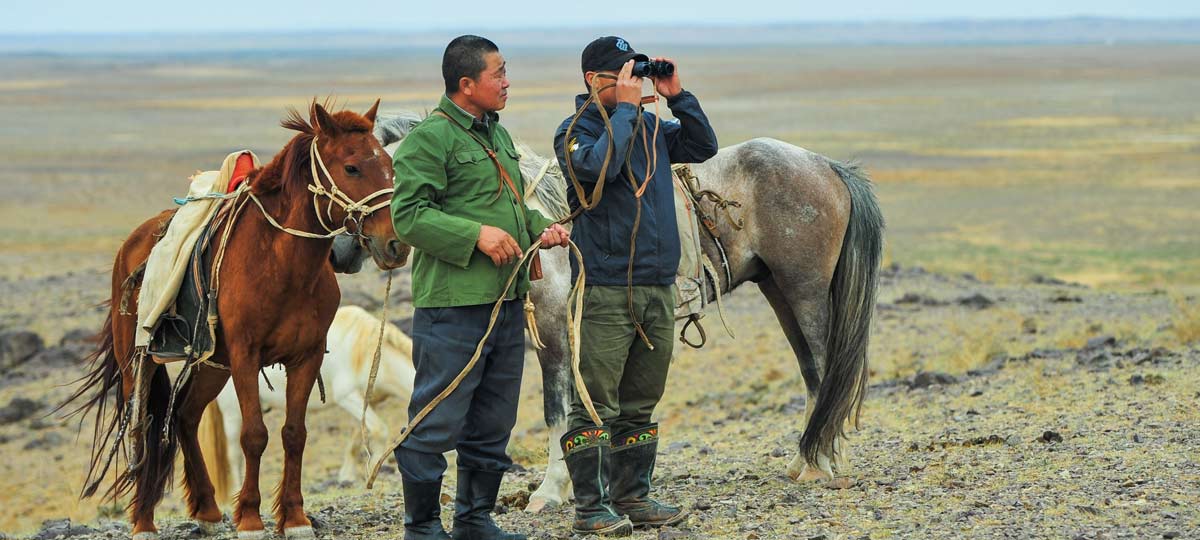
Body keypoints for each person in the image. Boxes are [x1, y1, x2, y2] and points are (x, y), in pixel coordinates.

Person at [390, 34, 570, 540]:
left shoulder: (497, 135)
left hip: (507, 301)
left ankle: (474, 521)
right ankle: (422, 528)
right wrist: (475, 236)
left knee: (493, 420)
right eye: (499, 73)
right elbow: (408, 217)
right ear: (466, 84)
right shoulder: (430, 138)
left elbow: (512, 207)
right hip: (453, 307)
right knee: (435, 418)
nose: (507, 81)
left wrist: (541, 227)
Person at [551, 36, 718, 536]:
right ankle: (589, 509)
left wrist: (677, 96)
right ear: (592, 80)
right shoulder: (573, 132)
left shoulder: (648, 125)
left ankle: (633, 497)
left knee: (640, 400)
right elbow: (600, 166)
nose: (633, 85)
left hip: (655, 286)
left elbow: (703, 146)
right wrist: (625, 111)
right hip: (604, 288)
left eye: (637, 76)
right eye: (623, 76)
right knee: (595, 401)